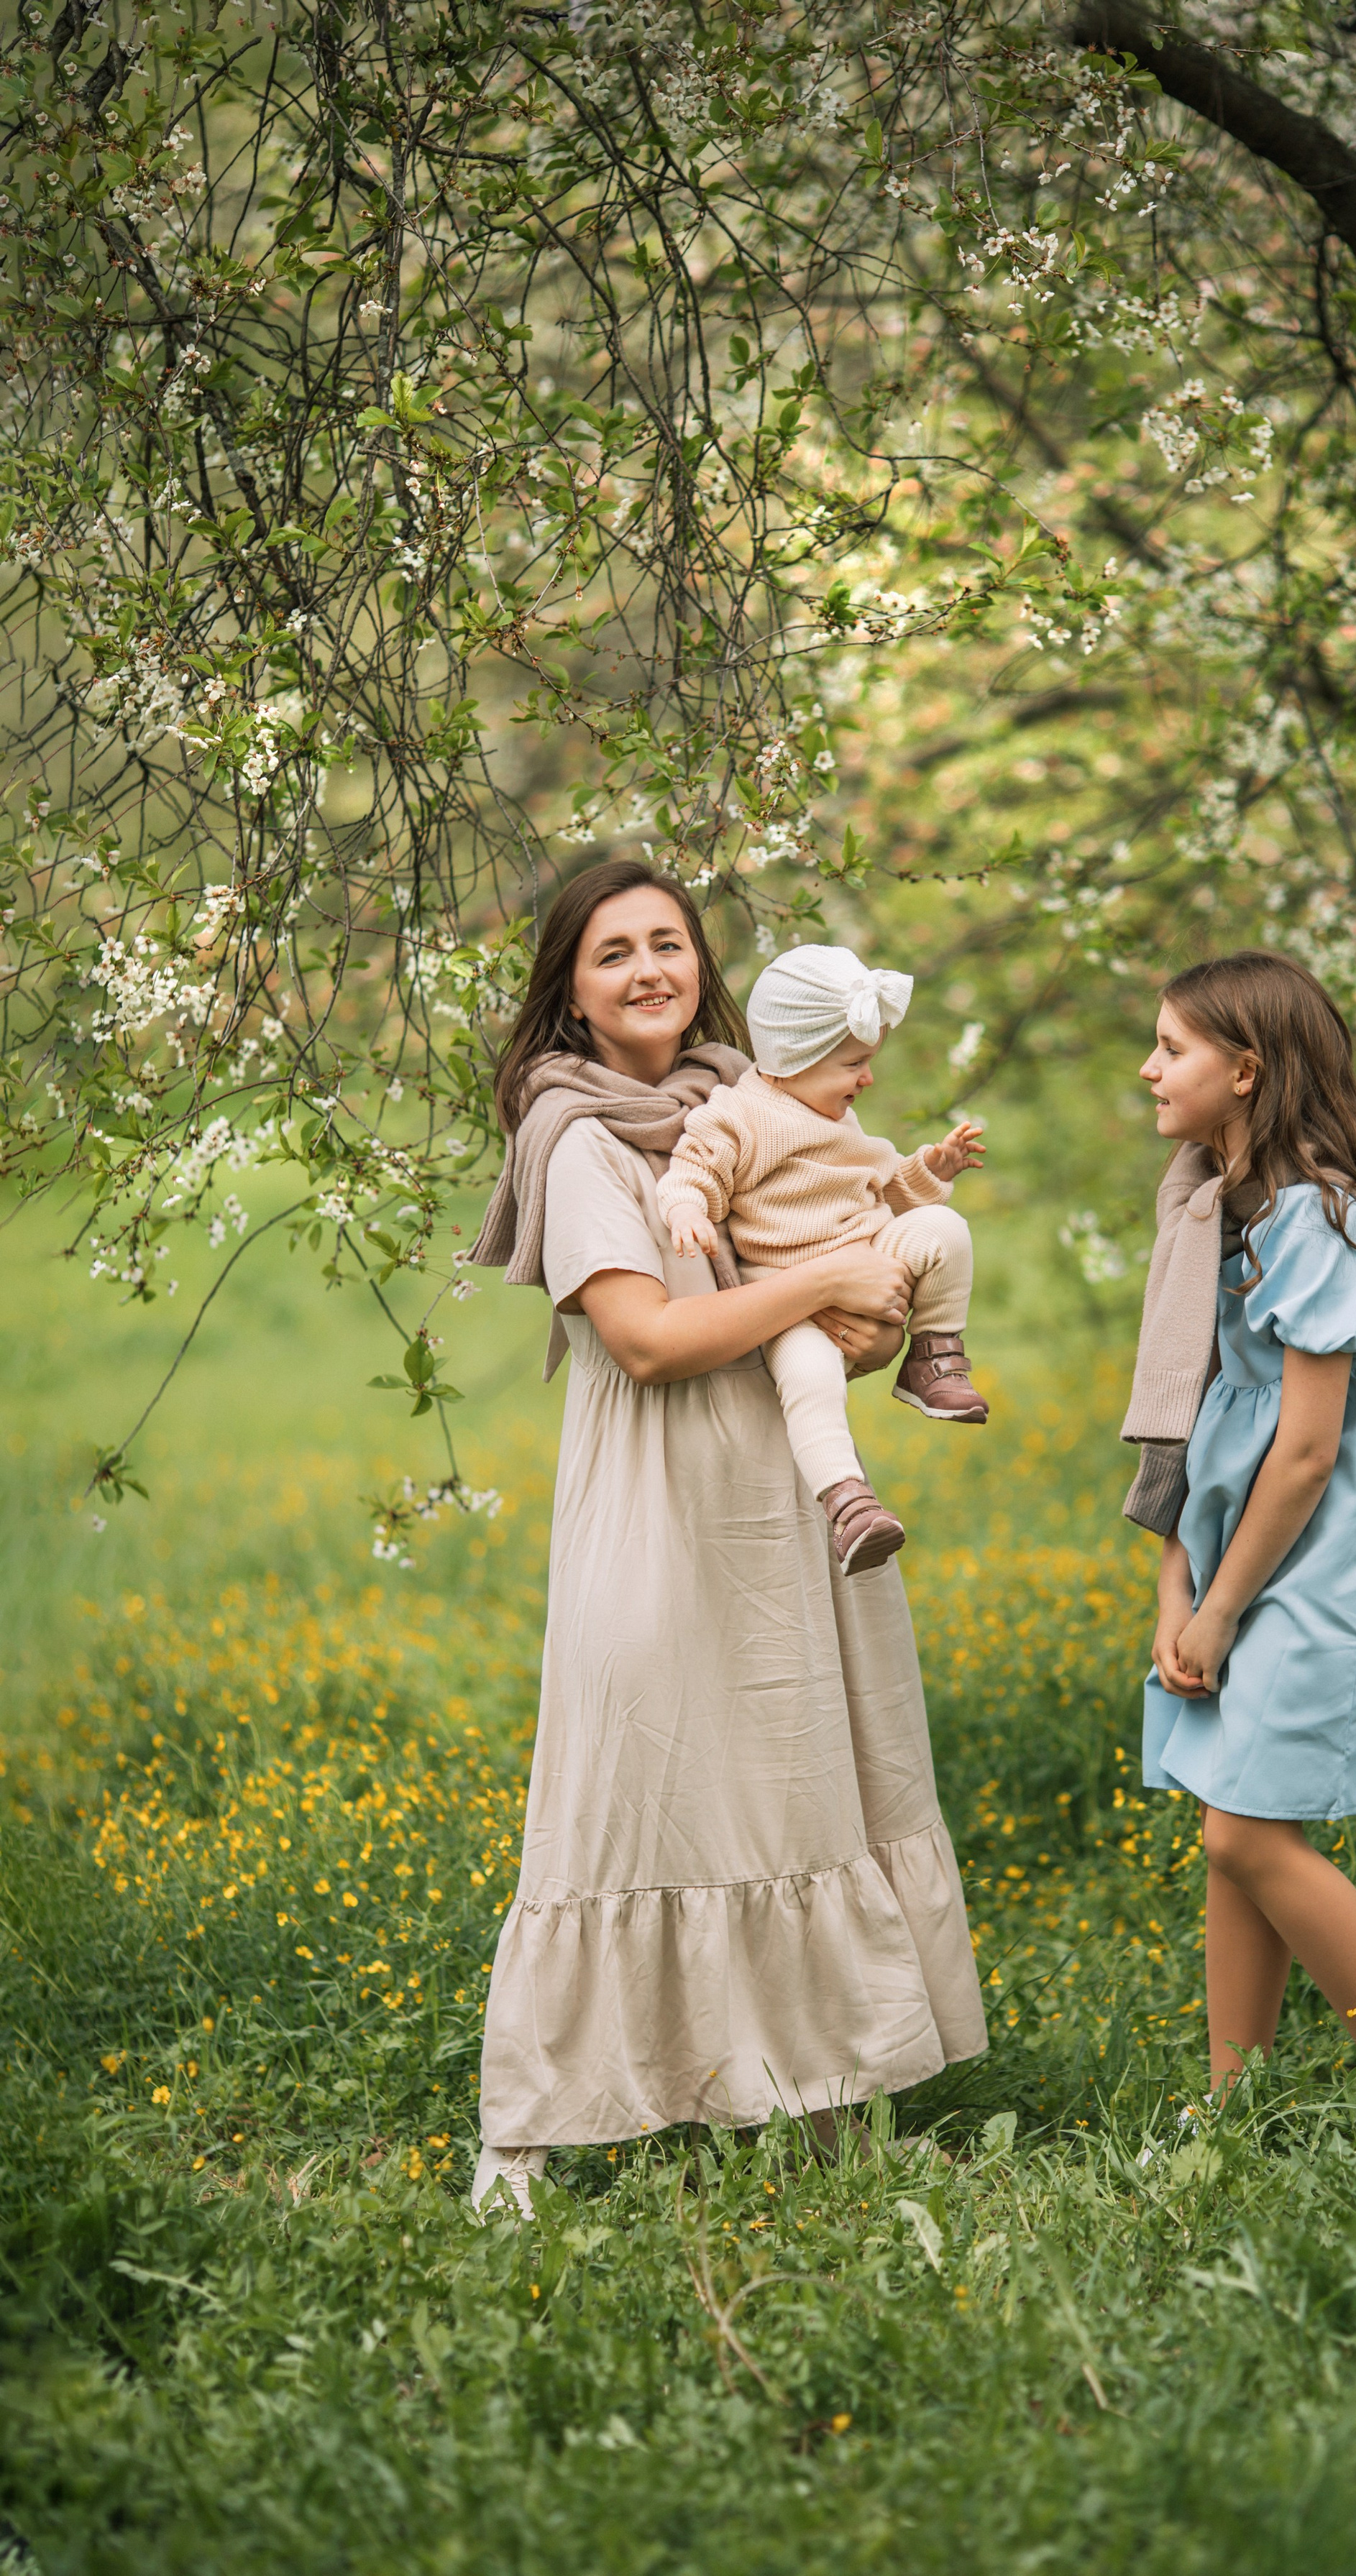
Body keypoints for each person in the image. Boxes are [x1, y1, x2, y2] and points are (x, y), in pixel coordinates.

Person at [463, 860, 986, 2214]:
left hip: (788, 1494)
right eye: (612, 953)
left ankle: (823, 2094)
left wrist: (874, 1311)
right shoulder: (579, 1138)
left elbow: (813, 1300)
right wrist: (819, 1279)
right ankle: (524, 2134)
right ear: (569, 997)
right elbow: (644, 1337)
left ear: (706, 965)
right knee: (623, 1791)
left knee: (798, 1773)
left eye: (669, 944)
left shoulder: (745, 1106)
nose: (648, 969)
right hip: (658, 1501)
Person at [1121, 951, 1356, 2132]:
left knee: (1244, 1824)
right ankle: (1240, 2098)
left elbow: (1308, 1449)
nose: (1149, 1067)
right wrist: (1177, 1588)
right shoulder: (1205, 1204)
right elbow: (1190, 1417)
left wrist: (1223, 1606)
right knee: (1235, 1814)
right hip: (1242, 1542)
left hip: (1331, 1551)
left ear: (1247, 1069)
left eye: (1171, 1047)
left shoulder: (1317, 1218)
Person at [658, 943, 990, 1577]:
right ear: (796, 1060)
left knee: (944, 1228)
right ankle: (848, 1501)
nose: (867, 1079)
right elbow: (692, 1170)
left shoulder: (841, 1121)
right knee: (811, 1383)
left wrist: (931, 1168)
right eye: (855, 1064)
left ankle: (933, 1354)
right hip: (791, 1303)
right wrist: (687, 1212)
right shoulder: (740, 1116)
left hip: (871, 1258)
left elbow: (888, 1188)